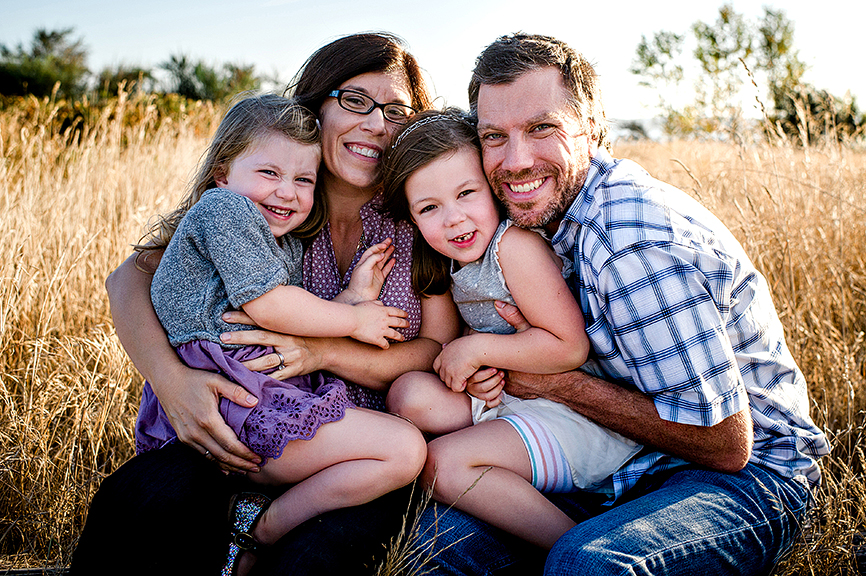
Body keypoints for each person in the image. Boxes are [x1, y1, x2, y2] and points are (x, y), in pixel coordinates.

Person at [416, 33, 830, 576]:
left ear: (591, 128)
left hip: (744, 476)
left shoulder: (627, 244)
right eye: (495, 136)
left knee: (588, 566)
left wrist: (547, 381)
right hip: (622, 451)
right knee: (435, 542)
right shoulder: (534, 213)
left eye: (542, 128)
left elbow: (726, 443)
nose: (516, 161)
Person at [70, 32, 459, 576]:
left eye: (396, 110)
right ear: (314, 107)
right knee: (156, 498)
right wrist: (170, 379)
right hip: (237, 420)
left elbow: (435, 349)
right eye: (354, 100)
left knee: (307, 560)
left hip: (352, 456)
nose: (375, 123)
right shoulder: (274, 202)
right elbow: (128, 279)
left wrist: (322, 352)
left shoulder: (423, 211)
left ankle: (254, 533)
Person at [134, 93, 428, 576]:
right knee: (402, 450)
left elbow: (278, 316)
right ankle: (259, 526)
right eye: (269, 173)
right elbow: (268, 306)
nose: (287, 192)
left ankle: (254, 524)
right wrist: (354, 321)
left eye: (303, 180)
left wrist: (349, 298)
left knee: (400, 451)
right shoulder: (224, 211)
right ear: (223, 171)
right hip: (236, 398)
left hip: (254, 389)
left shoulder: (279, 233)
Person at [378, 109, 640, 550]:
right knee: (408, 396)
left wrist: (479, 349)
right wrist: (473, 364)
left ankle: (573, 548)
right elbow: (455, 347)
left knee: (442, 465)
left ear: (490, 187)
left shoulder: (512, 247)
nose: (454, 219)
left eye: (467, 194)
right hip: (512, 399)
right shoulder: (449, 261)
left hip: (570, 414)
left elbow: (569, 346)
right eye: (429, 208)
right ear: (412, 219)